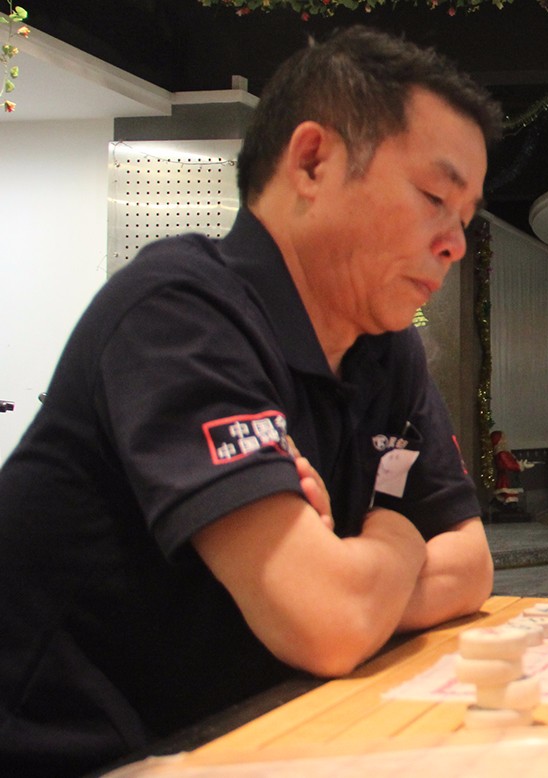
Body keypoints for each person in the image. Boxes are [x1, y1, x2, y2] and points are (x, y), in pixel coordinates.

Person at [0, 27, 501, 772]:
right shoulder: (178, 312)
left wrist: (355, 568)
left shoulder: (384, 348)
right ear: (312, 161)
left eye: (463, 217)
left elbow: (470, 565)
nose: (453, 243)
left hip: (247, 737)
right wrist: (398, 535)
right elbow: (330, 623)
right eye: (434, 197)